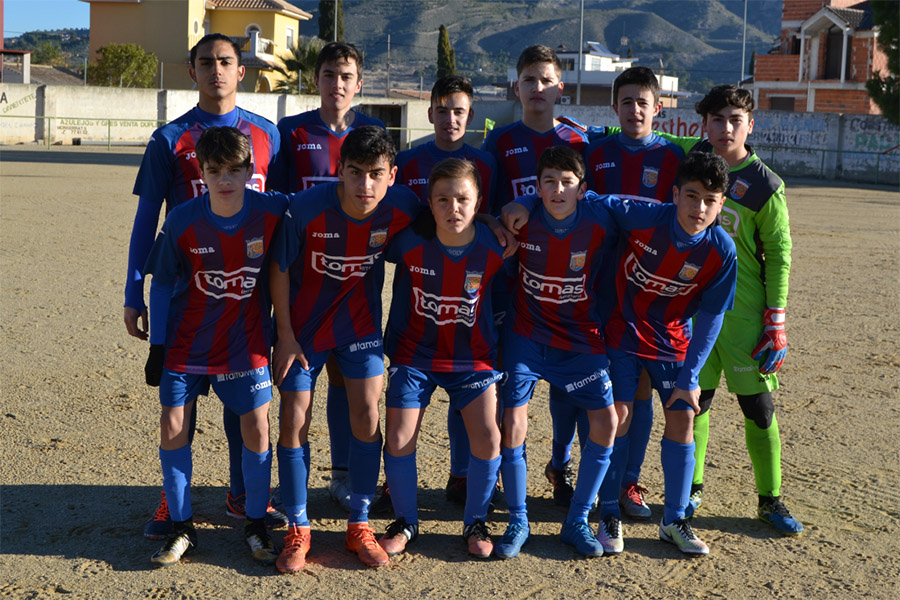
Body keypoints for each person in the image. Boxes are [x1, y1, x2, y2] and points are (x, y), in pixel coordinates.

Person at [123, 33, 286, 540]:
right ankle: (175, 504)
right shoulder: (168, 139)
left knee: (247, 406)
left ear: (242, 71)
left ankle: (242, 496)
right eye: (206, 62)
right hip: (186, 293)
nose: (216, 70)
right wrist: (133, 291)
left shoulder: (267, 135)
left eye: (226, 61)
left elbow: (284, 217)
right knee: (178, 406)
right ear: (191, 71)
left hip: (247, 297)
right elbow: (148, 218)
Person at [658, 85, 803, 535]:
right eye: (717, 120)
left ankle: (770, 499)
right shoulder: (694, 159)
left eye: (734, 120)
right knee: (692, 404)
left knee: (758, 406)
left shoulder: (766, 185)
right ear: (704, 123)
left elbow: (779, 252)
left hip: (742, 316)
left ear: (750, 125)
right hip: (691, 311)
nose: (725, 129)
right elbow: (646, 136)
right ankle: (691, 490)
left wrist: (775, 318)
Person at [142, 126, 286, 567]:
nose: (224, 179)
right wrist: (158, 346)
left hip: (246, 342)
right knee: (172, 424)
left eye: (233, 170)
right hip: (188, 341)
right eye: (214, 170)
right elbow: (163, 283)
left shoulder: (274, 211)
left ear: (250, 171)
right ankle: (182, 525)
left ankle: (256, 522)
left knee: (257, 427)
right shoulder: (183, 219)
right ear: (201, 173)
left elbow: (324, 212)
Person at [598, 152, 737, 555]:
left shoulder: (721, 250)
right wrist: (527, 204)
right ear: (674, 194)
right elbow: (588, 199)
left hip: (671, 341)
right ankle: (608, 511)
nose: (699, 207)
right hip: (622, 332)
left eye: (710, 199)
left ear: (721, 204)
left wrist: (691, 377)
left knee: (682, 417)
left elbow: (711, 320)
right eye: (691, 196)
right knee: (618, 418)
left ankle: (675, 519)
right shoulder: (642, 215)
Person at [268, 41, 384, 514]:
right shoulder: (291, 132)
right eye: (329, 74)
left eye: (346, 76)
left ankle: (343, 480)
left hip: (358, 290)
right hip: (305, 289)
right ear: (315, 80)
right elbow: (277, 207)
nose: (337, 84)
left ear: (359, 84)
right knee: (297, 398)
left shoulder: (374, 133)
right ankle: (290, 497)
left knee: (350, 386)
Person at [378, 158, 506, 559]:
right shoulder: (407, 243)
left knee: (488, 436)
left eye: (463, 199)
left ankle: (476, 521)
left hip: (472, 360)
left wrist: (498, 217)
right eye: (443, 199)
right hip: (415, 356)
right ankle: (406, 521)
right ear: (429, 204)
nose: (454, 208)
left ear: (478, 202)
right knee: (399, 437)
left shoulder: (498, 244)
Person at [482, 44, 593, 507]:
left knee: (568, 385)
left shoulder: (579, 143)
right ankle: (510, 472)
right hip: (512, 284)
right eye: (530, 79)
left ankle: (560, 465)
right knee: (511, 384)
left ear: (560, 87)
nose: (538, 88)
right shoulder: (499, 142)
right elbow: (485, 209)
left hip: (565, 284)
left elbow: (590, 206)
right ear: (517, 87)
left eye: (546, 79)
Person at [496, 146, 618, 559]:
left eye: (567, 182)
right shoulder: (521, 223)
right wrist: (518, 206)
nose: (558, 189)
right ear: (537, 186)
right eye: (549, 181)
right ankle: (518, 519)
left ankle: (577, 520)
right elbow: (491, 227)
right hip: (526, 336)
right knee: (512, 423)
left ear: (582, 189)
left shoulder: (600, 217)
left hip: (580, 338)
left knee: (606, 422)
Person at [391, 75, 499, 508]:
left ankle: (463, 476)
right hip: (420, 297)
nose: (450, 118)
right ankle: (396, 493)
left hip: (473, 291)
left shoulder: (486, 163)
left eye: (459, 111)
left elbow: (501, 215)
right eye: (442, 109)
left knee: (473, 404)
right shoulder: (409, 160)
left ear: (469, 115)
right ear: (429, 112)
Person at [587, 66, 687, 526]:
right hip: (602, 285)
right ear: (615, 107)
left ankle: (628, 481)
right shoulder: (596, 152)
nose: (634, 110)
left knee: (642, 390)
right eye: (626, 102)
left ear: (658, 108)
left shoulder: (673, 156)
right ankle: (593, 482)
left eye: (642, 102)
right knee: (607, 391)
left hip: (651, 291)